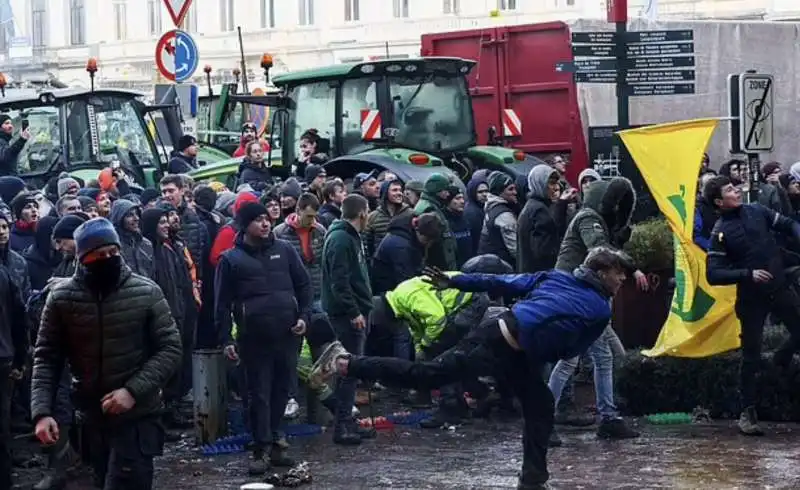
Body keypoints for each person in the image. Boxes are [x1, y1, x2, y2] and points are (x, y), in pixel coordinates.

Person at [310, 246, 634, 490]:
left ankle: (533, 481)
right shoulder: (597, 308)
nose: (622, 278)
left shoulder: (556, 277)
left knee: (541, 405)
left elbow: (501, 281)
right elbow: (570, 347)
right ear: (600, 271)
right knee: (428, 375)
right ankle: (345, 362)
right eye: (618, 271)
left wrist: (456, 281)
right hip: (495, 342)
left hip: (514, 348)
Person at [31, 218, 182, 490]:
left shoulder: (146, 292)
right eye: (100, 255)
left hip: (137, 416)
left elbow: (170, 348)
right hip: (90, 418)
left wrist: (132, 391)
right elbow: (47, 357)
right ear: (84, 257)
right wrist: (42, 411)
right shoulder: (63, 298)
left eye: (114, 252)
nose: (109, 259)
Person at [215, 202, 311, 474]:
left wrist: (305, 316)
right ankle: (260, 448)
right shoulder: (230, 260)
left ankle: (279, 442)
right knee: (258, 395)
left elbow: (304, 286)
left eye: (266, 218)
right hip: (253, 338)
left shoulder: (285, 250)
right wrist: (226, 340)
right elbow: (221, 305)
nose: (265, 223)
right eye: (257, 220)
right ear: (245, 225)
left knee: (283, 391)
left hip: (288, 334)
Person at [705, 175, 800, 436]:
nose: (736, 190)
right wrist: (748, 274)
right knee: (751, 356)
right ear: (718, 201)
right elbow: (713, 274)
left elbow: (788, 224)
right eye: (729, 189)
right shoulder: (720, 232)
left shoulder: (757, 210)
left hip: (780, 288)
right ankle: (747, 412)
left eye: (736, 187)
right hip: (751, 298)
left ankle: (781, 358)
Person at [320, 194, 374, 445]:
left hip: (355, 310)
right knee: (348, 371)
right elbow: (339, 282)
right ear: (362, 213)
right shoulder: (341, 239)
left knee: (352, 369)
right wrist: (354, 312)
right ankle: (342, 426)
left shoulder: (350, 236)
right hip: (347, 315)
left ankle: (348, 422)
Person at [517, 165, 572, 273]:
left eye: (556, 183)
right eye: (551, 183)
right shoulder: (539, 210)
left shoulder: (531, 206)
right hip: (539, 276)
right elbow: (544, 252)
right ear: (540, 184)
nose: (556, 187)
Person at [109, 199, 154, 279]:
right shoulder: (113, 246)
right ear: (119, 218)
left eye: (137, 214)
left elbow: (153, 274)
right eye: (130, 215)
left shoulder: (146, 244)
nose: (136, 218)